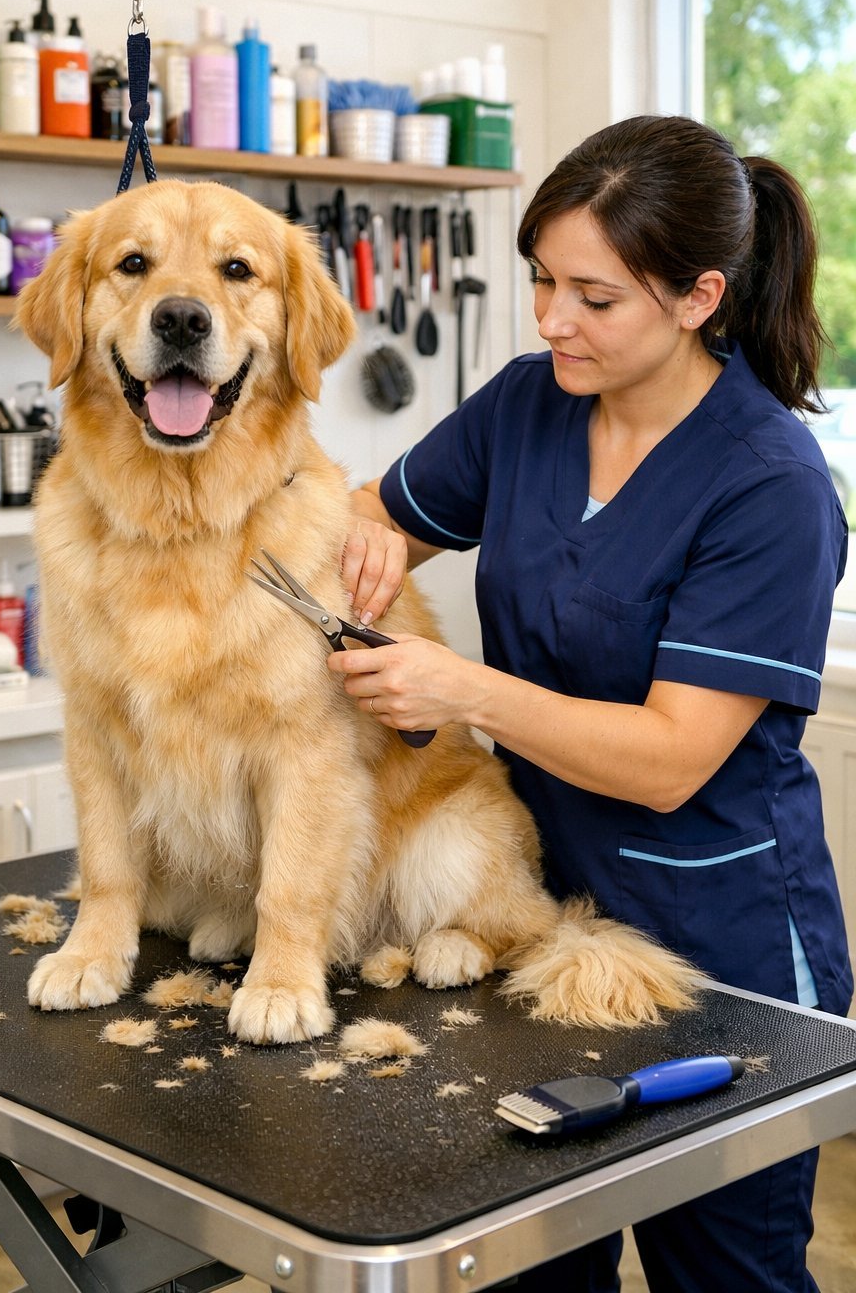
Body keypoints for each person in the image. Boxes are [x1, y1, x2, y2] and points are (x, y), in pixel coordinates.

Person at [329, 114, 853, 1293]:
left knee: (726, 1275)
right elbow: (373, 510)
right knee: (524, 1264)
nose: (552, 319)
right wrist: (360, 548)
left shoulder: (768, 486)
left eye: (592, 296)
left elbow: (672, 759)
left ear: (696, 296)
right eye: (540, 283)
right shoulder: (529, 405)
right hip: (528, 925)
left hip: (718, 956)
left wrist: (459, 687)